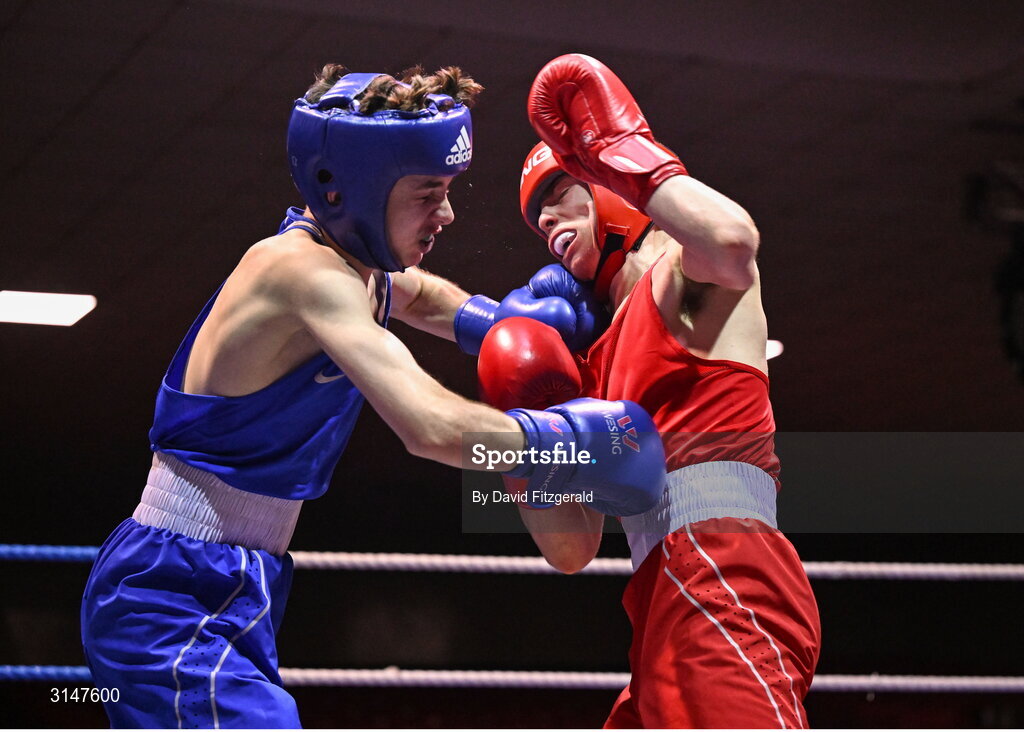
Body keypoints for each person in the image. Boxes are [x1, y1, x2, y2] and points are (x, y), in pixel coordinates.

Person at [79, 63, 667, 729]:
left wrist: (505, 325)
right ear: (349, 190)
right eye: (427, 193)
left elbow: (425, 295)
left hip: (235, 581)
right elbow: (429, 426)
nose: (446, 213)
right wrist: (580, 450)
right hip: (170, 590)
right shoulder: (304, 275)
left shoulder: (363, 271)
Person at [486, 54, 821, 728]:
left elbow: (731, 241)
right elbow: (571, 549)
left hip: (724, 574)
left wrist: (621, 154)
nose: (547, 223)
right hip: (659, 597)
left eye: (559, 195)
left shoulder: (682, 279)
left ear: (605, 184)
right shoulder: (592, 364)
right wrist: (524, 414)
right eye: (536, 218)